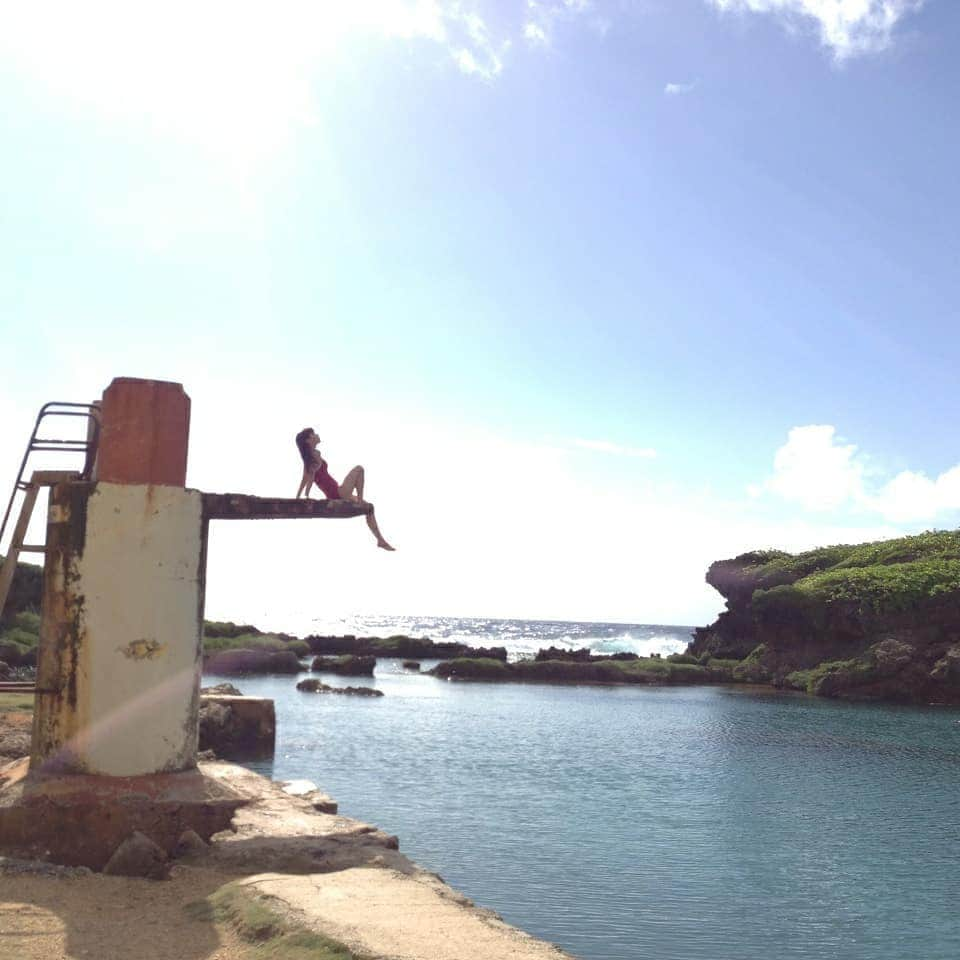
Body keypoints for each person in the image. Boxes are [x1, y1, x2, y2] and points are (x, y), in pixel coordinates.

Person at [294, 427, 395, 551]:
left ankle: (380, 540)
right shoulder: (313, 457)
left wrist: (299, 496)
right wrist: (301, 496)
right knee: (359, 469)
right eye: (313, 434)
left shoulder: (313, 457)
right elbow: (306, 479)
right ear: (308, 440)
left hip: (336, 491)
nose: (317, 435)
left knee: (369, 508)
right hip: (338, 492)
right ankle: (360, 501)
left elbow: (305, 478)